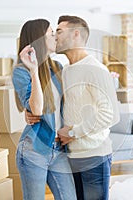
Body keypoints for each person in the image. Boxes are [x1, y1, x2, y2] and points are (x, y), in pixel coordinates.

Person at [55, 15, 119, 200]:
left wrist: (73, 132)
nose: (55, 37)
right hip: (70, 156)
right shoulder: (66, 70)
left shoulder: (95, 69)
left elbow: (111, 115)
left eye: (59, 31)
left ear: (76, 34)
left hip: (94, 157)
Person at [12, 19, 77, 200]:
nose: (55, 37)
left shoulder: (57, 67)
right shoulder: (21, 71)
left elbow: (67, 103)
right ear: (39, 39)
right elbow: (37, 109)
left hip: (58, 149)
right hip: (34, 150)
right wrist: (34, 70)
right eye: (51, 33)